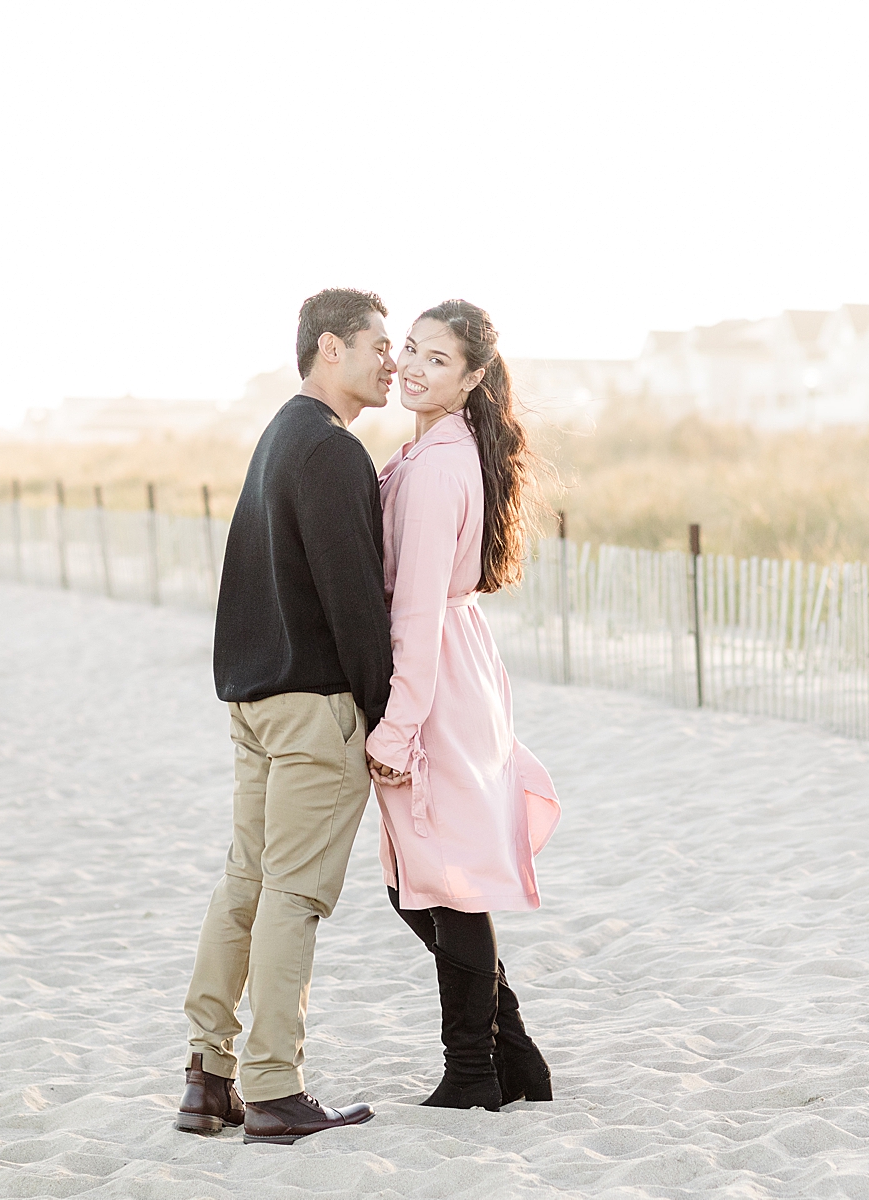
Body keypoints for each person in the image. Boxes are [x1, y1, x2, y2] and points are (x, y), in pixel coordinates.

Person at [175, 288, 396, 1145]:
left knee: (244, 887)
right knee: (292, 897)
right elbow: (356, 609)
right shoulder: (333, 453)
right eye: (379, 345)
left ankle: (208, 1078)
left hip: (253, 704)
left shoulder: (275, 437)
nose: (391, 362)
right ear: (330, 348)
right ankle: (273, 1088)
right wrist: (383, 717)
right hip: (311, 713)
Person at [365, 299, 562, 1112]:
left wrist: (397, 726)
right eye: (409, 349)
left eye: (436, 359)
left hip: (437, 680)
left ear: (473, 377)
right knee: (423, 879)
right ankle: (510, 1053)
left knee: (443, 882)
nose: (412, 366)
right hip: (454, 666)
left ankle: (475, 1072)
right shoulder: (431, 452)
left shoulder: (441, 465)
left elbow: (412, 607)